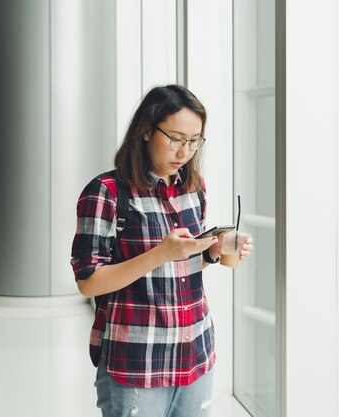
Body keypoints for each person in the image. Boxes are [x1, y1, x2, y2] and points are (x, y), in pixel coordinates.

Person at [70, 84, 252, 417]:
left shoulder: (193, 188)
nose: (185, 152)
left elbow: (184, 262)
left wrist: (214, 250)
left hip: (195, 354)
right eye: (176, 138)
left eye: (194, 140)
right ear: (145, 131)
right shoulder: (106, 193)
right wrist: (160, 253)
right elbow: (88, 282)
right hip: (137, 362)